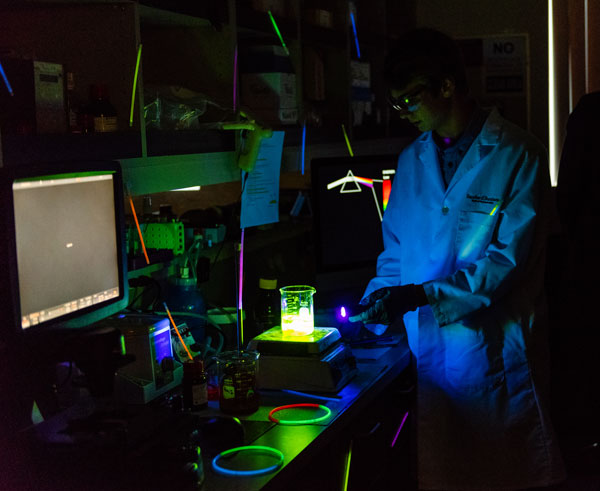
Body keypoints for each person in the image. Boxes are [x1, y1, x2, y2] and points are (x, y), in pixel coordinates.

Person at [350, 28, 565, 490]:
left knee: (504, 472)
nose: (405, 113)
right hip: (431, 356)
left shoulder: (517, 153)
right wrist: (377, 303)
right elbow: (396, 251)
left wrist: (418, 296)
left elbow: (502, 266)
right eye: (398, 103)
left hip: (493, 351)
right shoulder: (411, 160)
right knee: (445, 471)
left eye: (411, 99)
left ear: (447, 86)